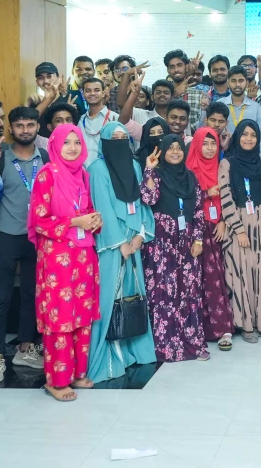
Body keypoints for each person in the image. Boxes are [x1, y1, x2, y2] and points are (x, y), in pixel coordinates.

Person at [29, 125, 102, 402]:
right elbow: (39, 220)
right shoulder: (47, 174)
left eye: (77, 142)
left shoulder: (83, 174)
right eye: (66, 143)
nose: (72, 147)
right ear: (55, 146)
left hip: (83, 257)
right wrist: (74, 222)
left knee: (81, 314)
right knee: (60, 315)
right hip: (57, 257)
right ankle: (57, 381)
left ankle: (78, 373)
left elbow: (87, 209)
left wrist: (94, 219)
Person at [86, 122, 157, 383]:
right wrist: (120, 243)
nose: (119, 142)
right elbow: (101, 207)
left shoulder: (135, 166)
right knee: (110, 298)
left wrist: (140, 234)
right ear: (104, 142)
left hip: (133, 239)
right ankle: (108, 359)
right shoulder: (97, 169)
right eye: (113, 138)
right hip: (112, 244)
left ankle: (132, 352)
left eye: (123, 138)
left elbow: (140, 202)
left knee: (132, 295)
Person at [0, 106, 47, 385]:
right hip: (6, 235)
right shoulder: (1, 157)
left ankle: (25, 348)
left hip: (38, 237)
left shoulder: (45, 157)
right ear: (11, 129)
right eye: (19, 125)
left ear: (37, 127)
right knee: (0, 297)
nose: (25, 130)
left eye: (30, 125)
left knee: (32, 295)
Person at [139, 134, 210, 361]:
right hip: (161, 245)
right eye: (170, 148)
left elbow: (198, 211)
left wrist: (198, 240)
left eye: (179, 148)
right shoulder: (157, 175)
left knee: (188, 292)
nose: (175, 152)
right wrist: (149, 170)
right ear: (162, 152)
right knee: (164, 295)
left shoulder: (190, 178)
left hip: (187, 243)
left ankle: (191, 341)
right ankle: (167, 345)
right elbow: (148, 198)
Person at [218, 121, 261, 342]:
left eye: (253, 135)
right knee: (241, 273)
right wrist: (239, 230)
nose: (248, 138)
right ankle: (245, 325)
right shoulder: (227, 163)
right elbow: (225, 197)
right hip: (239, 222)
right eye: (244, 134)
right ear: (237, 137)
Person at [184, 127, 235, 351]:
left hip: (218, 229)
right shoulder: (188, 169)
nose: (210, 148)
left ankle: (223, 328)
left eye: (213, 143)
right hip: (195, 231)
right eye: (205, 144)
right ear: (196, 144)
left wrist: (223, 221)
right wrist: (206, 194)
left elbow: (231, 196)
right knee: (196, 280)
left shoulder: (222, 167)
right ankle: (199, 329)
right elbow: (183, 200)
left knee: (218, 278)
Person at [79, 77, 140, 164]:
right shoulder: (80, 120)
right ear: (83, 94)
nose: (92, 93)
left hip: (107, 170)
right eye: (88, 91)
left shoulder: (116, 119)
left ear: (104, 93)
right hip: (82, 170)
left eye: (96, 90)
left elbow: (125, 149)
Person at [221, 65, 261, 139]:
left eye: (241, 81)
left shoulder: (256, 108)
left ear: (247, 83)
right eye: (233, 81)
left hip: (249, 146)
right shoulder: (220, 104)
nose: (237, 84)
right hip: (224, 146)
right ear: (228, 83)